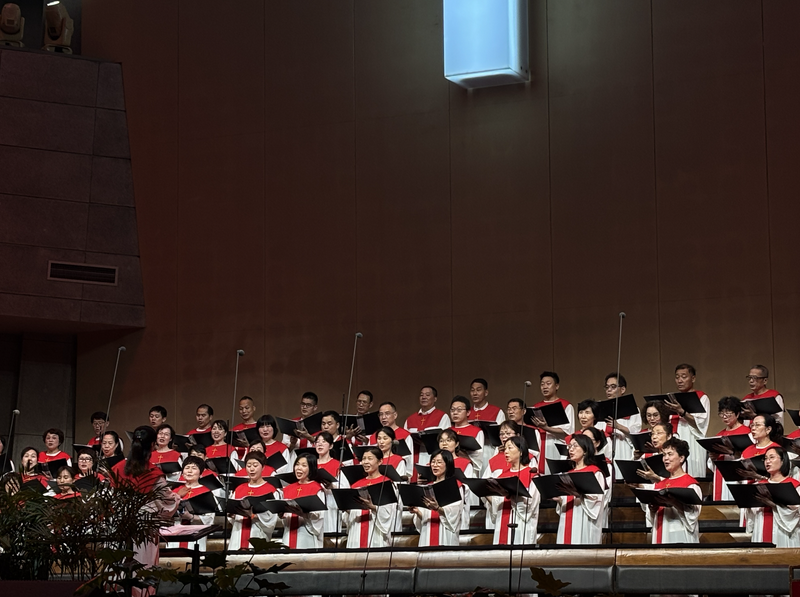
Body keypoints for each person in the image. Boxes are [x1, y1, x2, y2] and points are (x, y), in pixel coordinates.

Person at [110, 426, 179, 569]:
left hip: (120, 519)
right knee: (142, 564)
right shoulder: (152, 472)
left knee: (118, 562)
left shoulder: (117, 468)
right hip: (144, 522)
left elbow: (110, 496)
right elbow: (167, 501)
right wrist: (177, 498)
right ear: (153, 445)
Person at [643, 438, 701, 544]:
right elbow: (651, 519)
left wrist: (674, 502)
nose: (666, 458)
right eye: (664, 455)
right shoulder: (660, 484)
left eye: (670, 454)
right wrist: (652, 509)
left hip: (679, 534)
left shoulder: (690, 484)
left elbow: (693, 517)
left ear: (681, 458)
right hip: (660, 532)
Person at [553, 434, 606, 545]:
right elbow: (566, 501)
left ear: (585, 450)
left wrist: (580, 495)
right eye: (570, 446)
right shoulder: (567, 474)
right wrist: (559, 501)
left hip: (584, 520)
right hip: (567, 518)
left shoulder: (595, 473)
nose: (571, 449)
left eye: (575, 446)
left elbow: (597, 502)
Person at [486, 436, 540, 545]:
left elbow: (531, 505)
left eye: (510, 448)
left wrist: (511, 497)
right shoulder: (501, 475)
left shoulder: (531, 475)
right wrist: (486, 493)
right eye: (505, 448)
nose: (506, 452)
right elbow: (497, 503)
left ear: (521, 451)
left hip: (521, 524)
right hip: (502, 521)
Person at [342, 447, 397, 548]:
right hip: (357, 530)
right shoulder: (356, 485)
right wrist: (347, 509)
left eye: (370, 458)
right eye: (363, 459)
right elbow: (352, 514)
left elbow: (390, 512)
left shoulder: (386, 484)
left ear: (380, 461)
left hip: (375, 531)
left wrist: (372, 507)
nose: (365, 462)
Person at [745, 446, 800, 547]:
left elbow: (797, 513)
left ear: (783, 461)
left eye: (771, 457)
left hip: (783, 532)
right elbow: (752, 514)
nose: (767, 461)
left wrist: (774, 505)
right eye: (765, 458)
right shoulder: (758, 485)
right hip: (761, 527)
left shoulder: (794, 485)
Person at [662, 364, 710, 478]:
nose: (680, 380)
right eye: (677, 377)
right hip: (675, 442)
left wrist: (682, 412)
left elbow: (700, 424)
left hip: (692, 442)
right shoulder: (672, 399)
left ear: (693, 378)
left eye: (684, 377)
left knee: (692, 476)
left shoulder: (701, 397)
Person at [410, 449, 463, 547]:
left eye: (439, 462)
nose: (435, 465)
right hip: (428, 531)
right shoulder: (427, 487)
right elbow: (425, 517)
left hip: (445, 531)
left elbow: (455, 514)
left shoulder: (455, 486)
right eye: (433, 462)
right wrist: (417, 512)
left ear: (448, 464)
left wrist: (438, 509)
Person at [228, 452, 279, 550]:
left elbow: (272, 518)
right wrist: (232, 514)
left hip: (257, 533)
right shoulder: (239, 489)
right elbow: (232, 516)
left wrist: (253, 515)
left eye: (255, 466)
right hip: (238, 533)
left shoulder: (270, 490)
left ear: (263, 467)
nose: (251, 469)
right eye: (248, 466)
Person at [530, 371, 574, 474]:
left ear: (557, 386)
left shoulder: (565, 406)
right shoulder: (536, 407)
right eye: (542, 384)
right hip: (539, 445)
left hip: (556, 445)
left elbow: (568, 431)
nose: (544, 387)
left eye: (548, 383)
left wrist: (546, 428)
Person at [405, 385, 451, 479]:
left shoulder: (442, 416)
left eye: (427, 395)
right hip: (415, 457)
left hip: (432, 457)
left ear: (435, 398)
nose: (424, 397)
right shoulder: (410, 419)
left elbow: (446, 441)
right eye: (421, 395)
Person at [709, 397, 750, 501]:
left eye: (728, 413)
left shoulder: (747, 433)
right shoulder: (719, 435)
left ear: (737, 414)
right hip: (721, 475)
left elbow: (749, 458)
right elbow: (712, 464)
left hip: (738, 475)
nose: (724, 417)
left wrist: (732, 452)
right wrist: (713, 457)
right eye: (722, 413)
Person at [170, 457, 216, 551]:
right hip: (175, 532)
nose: (189, 471)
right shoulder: (175, 490)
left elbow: (209, 518)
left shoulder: (206, 492)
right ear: (182, 472)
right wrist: (177, 496)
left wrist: (191, 517)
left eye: (194, 468)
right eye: (187, 468)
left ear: (201, 473)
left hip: (196, 533)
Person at [280, 454, 325, 549]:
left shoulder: (316, 489)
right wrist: (281, 514)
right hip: (288, 534)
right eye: (297, 464)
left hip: (306, 535)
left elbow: (319, 516)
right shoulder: (288, 489)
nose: (299, 468)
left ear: (311, 469)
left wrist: (304, 515)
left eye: (304, 465)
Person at [438, 428, 475, 530]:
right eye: (441, 441)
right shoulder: (433, 463)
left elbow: (468, 486)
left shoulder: (465, 463)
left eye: (448, 440)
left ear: (457, 444)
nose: (444, 443)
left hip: (457, 503)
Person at [603, 374, 642, 471]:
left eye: (613, 387)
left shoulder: (632, 409)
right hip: (606, 449)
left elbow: (636, 432)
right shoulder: (601, 409)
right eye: (607, 387)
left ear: (623, 389)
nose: (609, 390)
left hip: (624, 447)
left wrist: (618, 426)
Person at [315, 431, 347, 533]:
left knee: (330, 534)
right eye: (317, 441)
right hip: (314, 503)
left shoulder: (337, 465)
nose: (320, 444)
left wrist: (332, 486)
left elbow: (345, 488)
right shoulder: (310, 465)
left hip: (331, 501)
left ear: (331, 446)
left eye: (324, 441)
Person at [369, 402, 413, 471]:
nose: (383, 417)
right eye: (381, 414)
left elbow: (409, 460)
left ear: (395, 415)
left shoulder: (405, 435)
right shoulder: (373, 437)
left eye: (387, 413)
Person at [449, 395, 485, 475]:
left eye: (459, 410)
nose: (455, 413)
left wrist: (462, 454)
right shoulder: (447, 431)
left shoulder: (477, 431)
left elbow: (478, 459)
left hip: (468, 471)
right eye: (452, 410)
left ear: (468, 412)